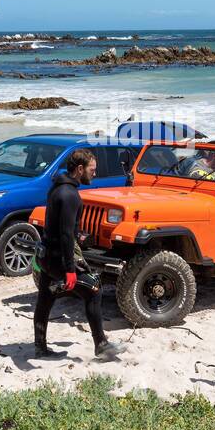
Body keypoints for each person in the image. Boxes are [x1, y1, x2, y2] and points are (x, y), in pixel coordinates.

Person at [31, 148, 124, 360]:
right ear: (80, 169)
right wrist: (70, 270)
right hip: (58, 258)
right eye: (92, 169)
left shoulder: (57, 188)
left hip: (45, 255)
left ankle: (40, 347)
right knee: (94, 291)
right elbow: (65, 235)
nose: (95, 174)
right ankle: (101, 345)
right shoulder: (70, 194)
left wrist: (77, 235)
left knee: (45, 298)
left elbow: (60, 227)